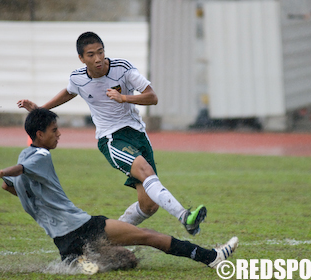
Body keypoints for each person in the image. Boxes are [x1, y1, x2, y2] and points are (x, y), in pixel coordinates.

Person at [0, 108, 238, 275]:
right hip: (82, 227)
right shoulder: (38, 156)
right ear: (40, 134)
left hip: (62, 240)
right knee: (148, 235)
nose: (59, 134)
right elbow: (17, 171)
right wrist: (2, 171)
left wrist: (12, 183)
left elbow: (9, 185)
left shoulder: (25, 154)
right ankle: (211, 257)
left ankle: (79, 261)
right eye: (54, 131)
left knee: (128, 260)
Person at [17, 31, 206, 235]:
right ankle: (184, 217)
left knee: (149, 205)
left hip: (138, 135)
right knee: (145, 171)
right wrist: (41, 110)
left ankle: (103, 240)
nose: (98, 58)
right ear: (81, 58)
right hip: (112, 138)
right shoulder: (78, 78)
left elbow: (152, 97)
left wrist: (124, 98)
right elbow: (70, 91)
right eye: (91, 55)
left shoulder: (122, 69)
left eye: (100, 52)